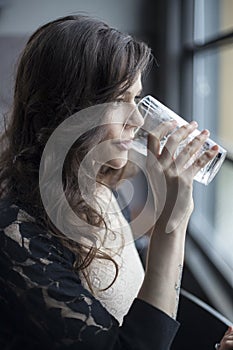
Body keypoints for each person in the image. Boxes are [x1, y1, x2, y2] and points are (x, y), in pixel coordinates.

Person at [0, 15, 219, 350]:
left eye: (136, 97)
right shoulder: (15, 236)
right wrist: (171, 223)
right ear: (71, 110)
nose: (138, 119)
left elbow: (137, 308)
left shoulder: (98, 185)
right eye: (119, 100)